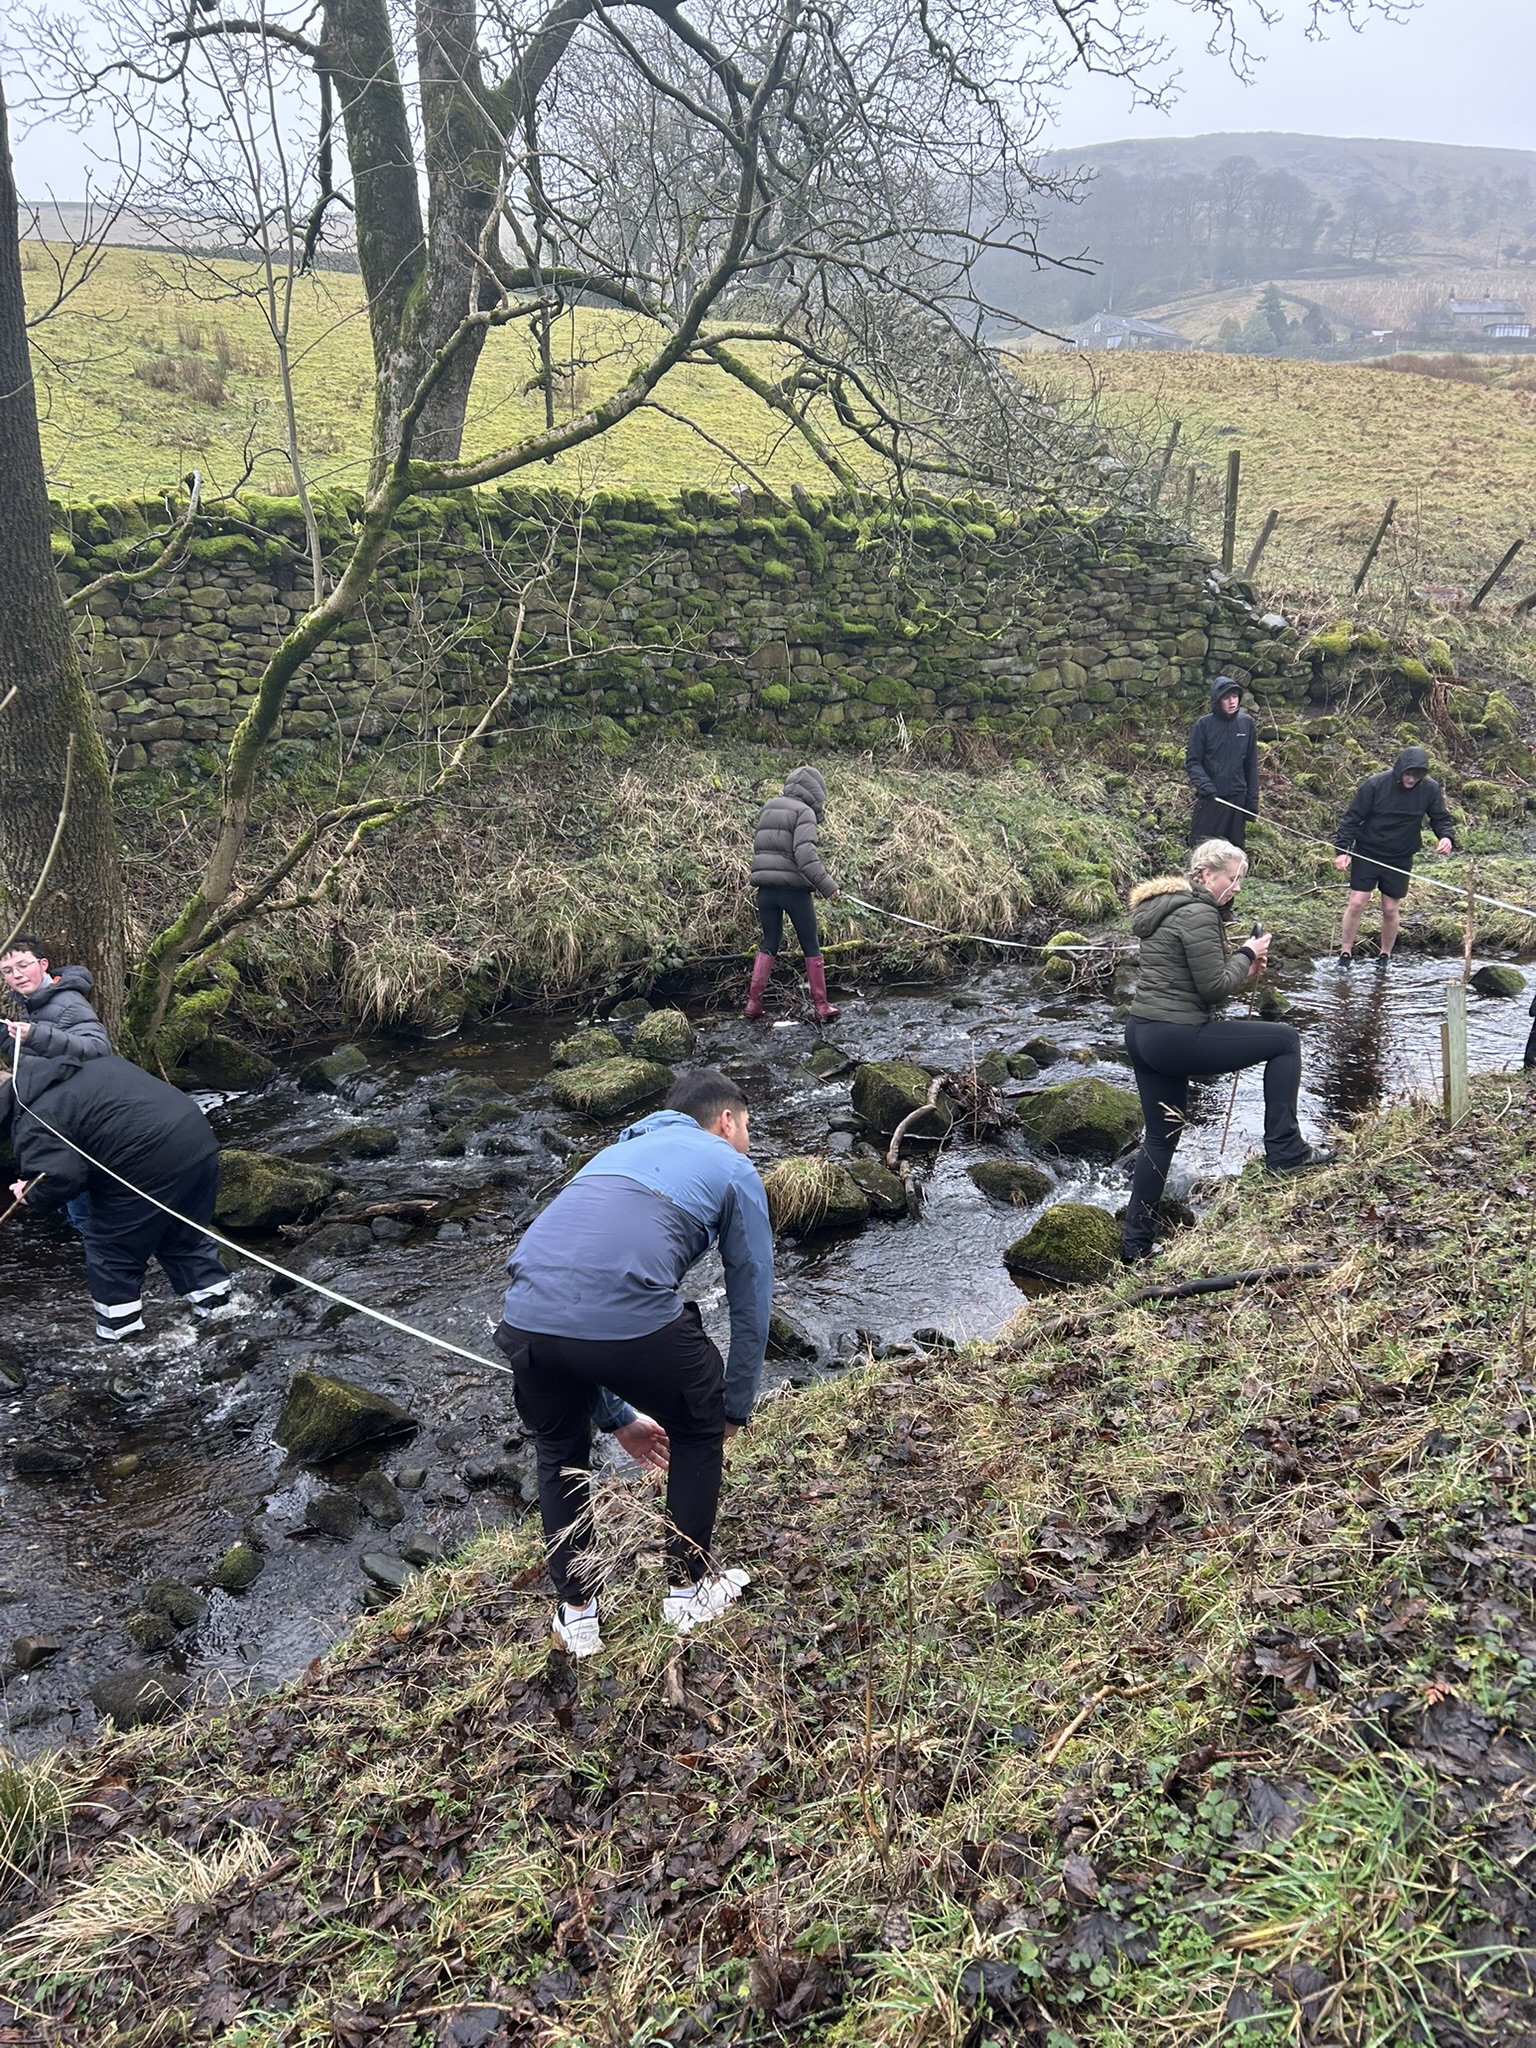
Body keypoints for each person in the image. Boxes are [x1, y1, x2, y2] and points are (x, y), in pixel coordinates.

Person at [493, 1067, 774, 1657]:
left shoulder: (610, 1156)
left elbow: (572, 1298)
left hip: (524, 1321)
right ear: (727, 1121)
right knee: (697, 1422)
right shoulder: (732, 1167)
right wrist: (732, 1408)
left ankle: (577, 1617)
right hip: (620, 1319)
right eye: (748, 1126)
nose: (748, 1140)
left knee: (559, 1453)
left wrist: (617, 1417)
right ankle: (687, 1593)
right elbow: (750, 1295)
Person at [1122, 838, 1332, 1262]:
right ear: (1205, 875)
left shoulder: (1162, 907)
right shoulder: (1200, 912)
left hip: (1142, 1033)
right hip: (1175, 1036)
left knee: (1160, 1138)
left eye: (1239, 880)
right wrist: (1247, 952)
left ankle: (1135, 1246)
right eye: (1231, 878)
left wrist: (1242, 964)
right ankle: (1287, 1150)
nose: (1236, 887)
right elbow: (1214, 988)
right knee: (1285, 1040)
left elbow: (1190, 976)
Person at [4, 1050, 234, 1341]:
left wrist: (30, 1193)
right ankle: (221, 1312)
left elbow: (62, 1177)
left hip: (148, 1160)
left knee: (111, 1251)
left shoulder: (32, 1119)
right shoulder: (83, 1068)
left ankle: (121, 1339)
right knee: (181, 1235)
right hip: (197, 1139)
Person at [1333, 745, 1455, 968]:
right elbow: (1352, 818)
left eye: (1417, 775)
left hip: (1400, 856)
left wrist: (1446, 837)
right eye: (1408, 774)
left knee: (1390, 908)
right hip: (1368, 852)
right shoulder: (1375, 784)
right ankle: (1345, 953)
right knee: (1357, 901)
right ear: (1400, 770)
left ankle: (1385, 956)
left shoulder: (1430, 789)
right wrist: (1342, 850)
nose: (1412, 779)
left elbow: (1440, 818)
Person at [744, 764, 843, 1022]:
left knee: (769, 943)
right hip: (794, 892)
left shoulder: (769, 806)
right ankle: (821, 1005)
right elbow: (805, 855)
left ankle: (753, 1003)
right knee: (811, 946)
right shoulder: (804, 812)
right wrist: (828, 886)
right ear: (815, 791)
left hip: (766, 891)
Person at [1185, 678, 1259, 851]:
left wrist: (1252, 802)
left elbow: (1251, 765)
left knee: (1233, 852)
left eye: (1235, 696)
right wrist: (1205, 785)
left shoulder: (1246, 724)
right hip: (1212, 799)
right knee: (1203, 850)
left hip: (1238, 800)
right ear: (1217, 700)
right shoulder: (1204, 725)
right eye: (1226, 698)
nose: (1232, 702)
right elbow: (1193, 762)